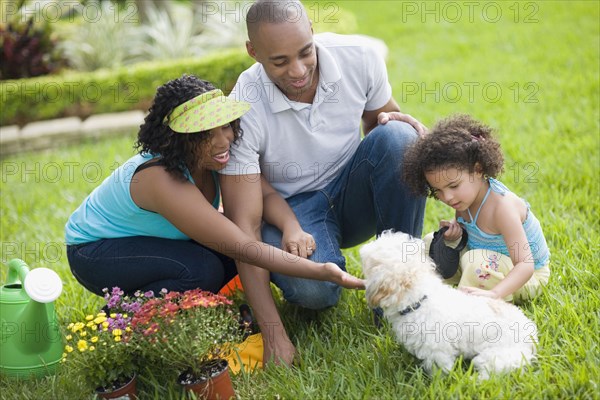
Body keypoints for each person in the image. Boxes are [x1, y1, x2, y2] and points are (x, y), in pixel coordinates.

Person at [219, 0, 427, 365]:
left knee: (399, 137)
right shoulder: (243, 104)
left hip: (350, 191)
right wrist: (273, 334)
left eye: (305, 52)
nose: (298, 71)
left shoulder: (358, 57)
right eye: (279, 62)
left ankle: (401, 291)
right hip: (294, 214)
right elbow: (245, 228)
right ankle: (327, 270)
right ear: (253, 52)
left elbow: (383, 124)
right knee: (315, 292)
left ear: (312, 31)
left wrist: (409, 134)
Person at [65, 74, 364, 297]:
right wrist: (322, 271)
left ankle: (197, 307)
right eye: (205, 134)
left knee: (225, 261)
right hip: (96, 252)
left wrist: (291, 227)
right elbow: (244, 247)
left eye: (225, 127)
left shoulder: (216, 159)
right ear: (177, 138)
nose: (223, 142)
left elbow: (266, 192)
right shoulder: (161, 179)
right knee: (201, 270)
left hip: (153, 240)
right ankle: (121, 318)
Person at [403, 114, 551, 303]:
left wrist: (495, 294)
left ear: (478, 169)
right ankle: (428, 292)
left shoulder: (502, 208)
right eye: (438, 190)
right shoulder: (464, 200)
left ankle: (474, 303)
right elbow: (470, 237)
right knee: (429, 242)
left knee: (475, 262)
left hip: (525, 277)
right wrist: (455, 237)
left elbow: (525, 265)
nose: (447, 197)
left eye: (454, 186)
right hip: (488, 264)